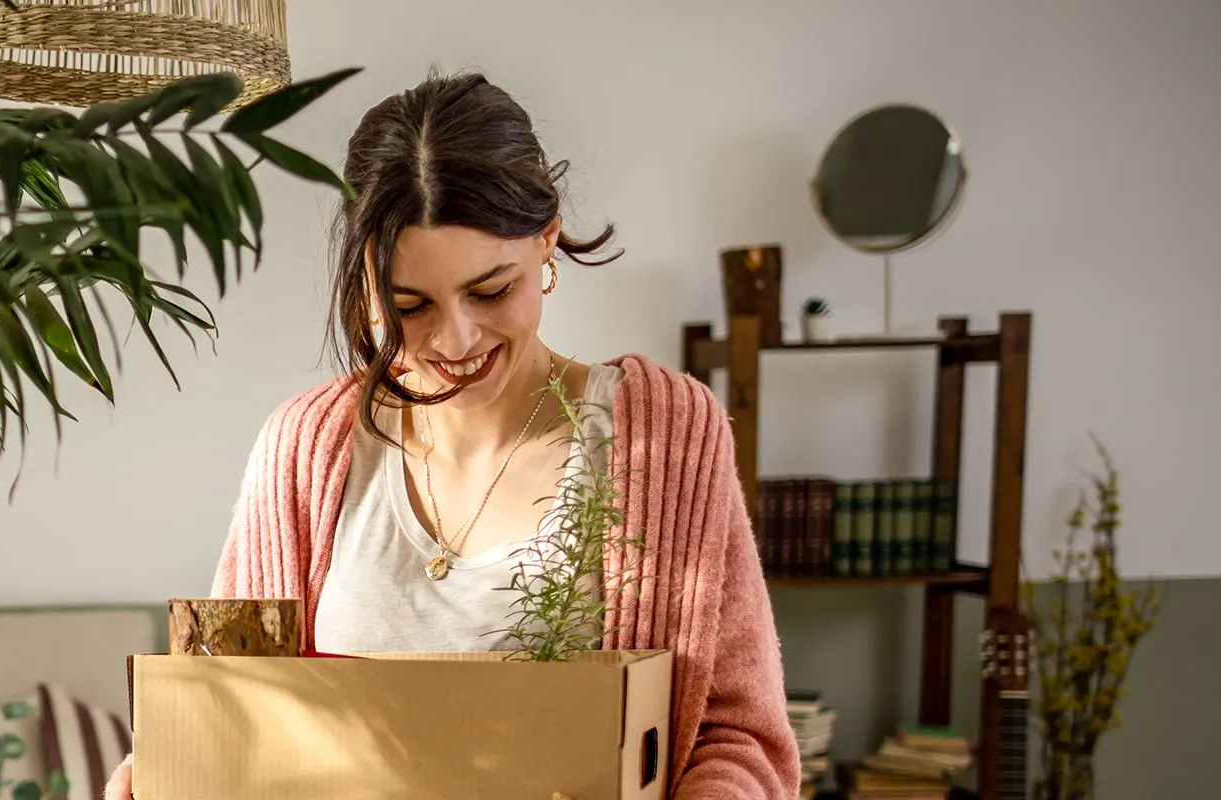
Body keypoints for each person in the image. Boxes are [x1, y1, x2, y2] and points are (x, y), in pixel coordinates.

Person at [106, 71, 797, 799]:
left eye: (490, 290)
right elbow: (229, 711)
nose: (455, 338)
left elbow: (740, 738)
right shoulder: (303, 447)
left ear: (547, 241)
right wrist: (151, 772)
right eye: (410, 303)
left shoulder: (665, 437)